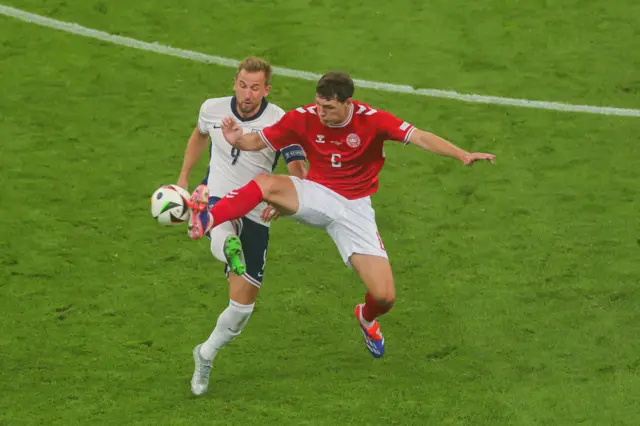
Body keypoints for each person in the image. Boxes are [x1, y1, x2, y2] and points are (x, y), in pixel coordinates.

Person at [186, 71, 494, 360]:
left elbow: (420, 137)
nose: (321, 113)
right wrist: (237, 138)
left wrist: (462, 154)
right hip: (318, 194)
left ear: (348, 104)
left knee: (384, 296)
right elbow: (259, 141)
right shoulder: (304, 117)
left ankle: (366, 316)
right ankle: (209, 218)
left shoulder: (372, 121)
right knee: (265, 184)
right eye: (319, 105)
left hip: (356, 208)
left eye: (330, 108)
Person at [177, 56, 307, 396]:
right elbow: (199, 135)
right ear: (235, 82)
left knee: (241, 309)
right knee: (218, 223)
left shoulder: (279, 120)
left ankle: (205, 353)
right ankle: (226, 247)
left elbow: (297, 167)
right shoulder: (212, 109)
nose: (247, 94)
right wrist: (183, 177)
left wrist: (284, 199)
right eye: (242, 85)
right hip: (218, 195)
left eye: (255, 88)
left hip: (256, 209)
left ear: (266, 89)